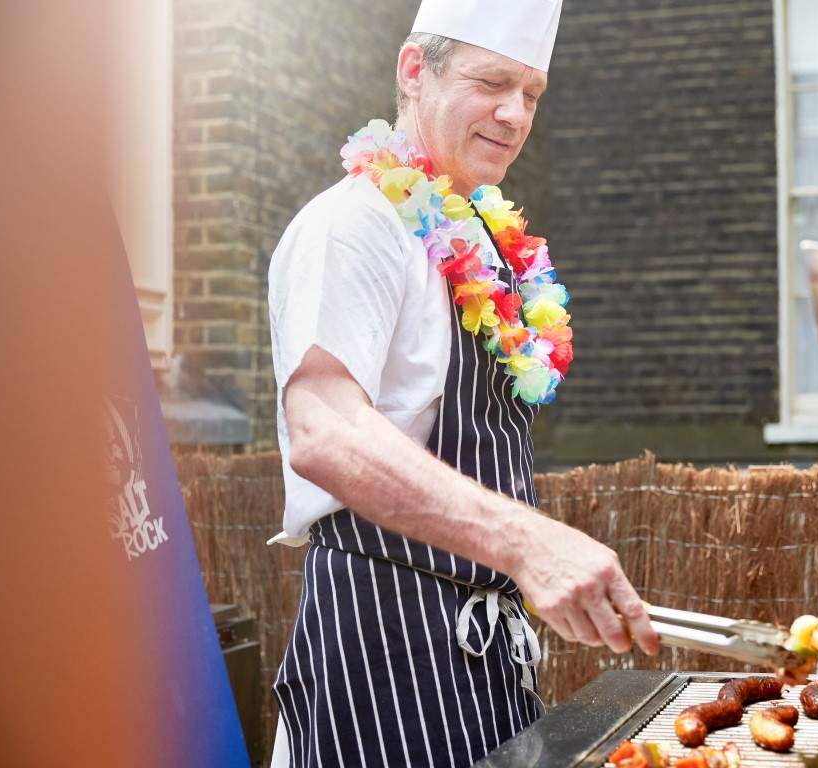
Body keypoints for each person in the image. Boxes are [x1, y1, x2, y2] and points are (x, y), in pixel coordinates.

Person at [266, 1, 659, 765]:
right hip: (382, 647)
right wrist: (526, 542)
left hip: (483, 650)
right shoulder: (351, 226)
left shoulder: (480, 241)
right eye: (492, 83)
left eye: (532, 93)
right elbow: (323, 429)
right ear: (415, 71)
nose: (516, 114)